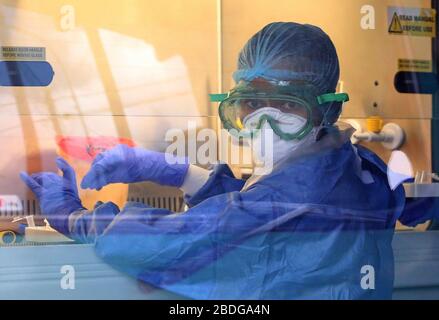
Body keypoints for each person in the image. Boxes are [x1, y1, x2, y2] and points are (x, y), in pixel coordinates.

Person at [20, 22, 437, 299]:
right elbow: (255, 208)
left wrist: (75, 217)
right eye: (250, 104)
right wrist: (177, 171)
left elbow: (168, 242)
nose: (263, 121)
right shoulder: (350, 164)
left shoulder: (299, 195)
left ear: (326, 108)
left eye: (286, 105)